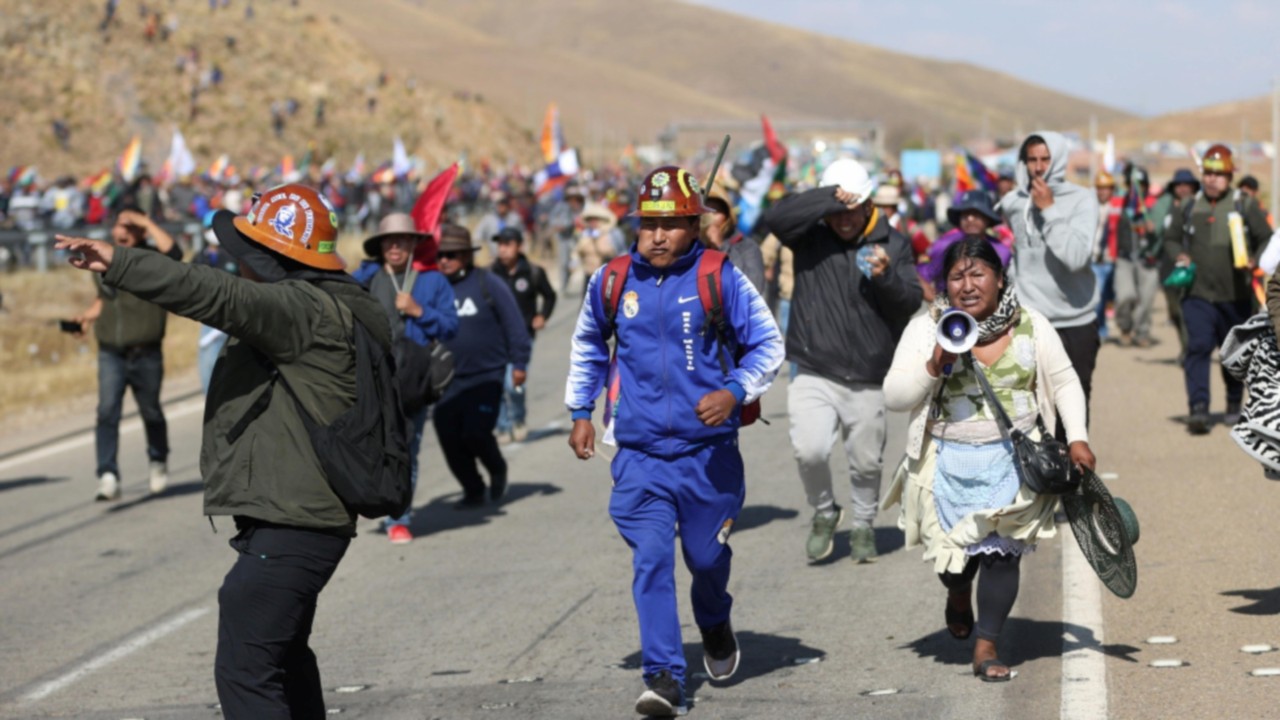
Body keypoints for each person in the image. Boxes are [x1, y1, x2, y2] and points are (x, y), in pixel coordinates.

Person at [57, 183, 385, 718]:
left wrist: (119, 262)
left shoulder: (301, 310)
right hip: (297, 522)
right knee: (283, 658)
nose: (240, 265)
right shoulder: (331, 303)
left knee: (247, 673)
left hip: (294, 526)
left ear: (271, 257)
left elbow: (212, 293)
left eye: (248, 254)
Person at [565, 165, 784, 717]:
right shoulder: (612, 280)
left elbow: (768, 345)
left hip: (707, 455)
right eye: (648, 225)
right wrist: (580, 411)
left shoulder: (722, 277)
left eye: (671, 225)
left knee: (706, 559)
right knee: (652, 559)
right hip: (639, 455)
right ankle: (663, 676)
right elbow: (589, 341)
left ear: (694, 225)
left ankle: (714, 621)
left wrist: (734, 391)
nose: (657, 236)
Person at [882, 236, 1095, 682]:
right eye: (957, 276)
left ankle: (986, 644)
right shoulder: (927, 328)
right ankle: (958, 595)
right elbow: (895, 396)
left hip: (1013, 463)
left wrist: (1077, 438)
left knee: (1003, 556)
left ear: (999, 279)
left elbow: (1066, 382)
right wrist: (935, 363)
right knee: (956, 565)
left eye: (978, 273)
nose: (968, 284)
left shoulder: (1032, 325)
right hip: (946, 461)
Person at [764, 158, 923, 564]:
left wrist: (886, 276)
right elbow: (776, 219)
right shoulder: (809, 236)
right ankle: (824, 512)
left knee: (866, 461)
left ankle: (865, 525)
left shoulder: (894, 243)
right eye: (837, 211)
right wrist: (826, 198)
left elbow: (910, 301)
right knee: (809, 451)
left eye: (852, 209)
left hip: (869, 372)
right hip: (813, 365)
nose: (843, 219)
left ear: (869, 204)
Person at [352, 213, 458, 543]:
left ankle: (400, 519)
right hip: (370, 378)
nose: (395, 246)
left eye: (402, 240)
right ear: (380, 246)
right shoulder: (365, 280)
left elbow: (451, 326)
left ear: (413, 244)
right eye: (388, 240)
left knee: (406, 449)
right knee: (368, 448)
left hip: (413, 380)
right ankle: (369, 504)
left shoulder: (433, 282)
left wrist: (418, 311)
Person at [73, 208, 182, 501]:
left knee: (151, 412)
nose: (121, 232)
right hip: (111, 352)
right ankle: (107, 474)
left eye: (129, 227)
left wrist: (146, 221)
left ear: (141, 232)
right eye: (119, 226)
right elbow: (105, 299)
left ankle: (158, 459)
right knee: (107, 411)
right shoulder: (104, 258)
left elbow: (176, 254)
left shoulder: (152, 259)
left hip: (146, 352)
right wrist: (87, 316)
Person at [1163, 144, 1273, 434]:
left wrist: (1255, 260)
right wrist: (1180, 254)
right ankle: (1198, 408)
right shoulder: (1189, 205)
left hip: (1235, 296)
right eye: (1208, 173)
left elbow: (1267, 239)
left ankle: (1234, 401)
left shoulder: (1244, 205)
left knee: (1231, 354)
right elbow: (1171, 237)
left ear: (1229, 176)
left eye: (1218, 174)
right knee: (1197, 347)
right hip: (1197, 294)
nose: (1211, 179)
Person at [1000, 131, 1100, 431]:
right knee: (1030, 404)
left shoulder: (1083, 199)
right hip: (1031, 319)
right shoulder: (1012, 202)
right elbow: (1020, 254)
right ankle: (1040, 474)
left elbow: (1075, 258)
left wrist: (1049, 210)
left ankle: (1075, 473)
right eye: (1032, 160)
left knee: (1073, 402)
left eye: (1046, 159)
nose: (1039, 167)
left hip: (1076, 319)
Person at [435, 223, 531, 507]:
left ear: (465, 255)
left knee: (476, 432)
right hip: (445, 380)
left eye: (451, 255)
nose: (444, 260)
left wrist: (519, 363)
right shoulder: (432, 287)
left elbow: (515, 325)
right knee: (449, 437)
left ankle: (497, 467)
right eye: (440, 255)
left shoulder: (487, 282)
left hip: (486, 376)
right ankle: (473, 489)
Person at [492, 226, 556, 443]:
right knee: (498, 383)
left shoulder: (533, 272)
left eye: (507, 244)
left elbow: (550, 296)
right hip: (496, 338)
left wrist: (542, 316)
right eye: (500, 244)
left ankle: (518, 419)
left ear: (519, 246)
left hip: (522, 337)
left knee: (515, 384)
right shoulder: (490, 274)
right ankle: (502, 425)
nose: (503, 249)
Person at [918, 191, 1012, 302]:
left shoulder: (1002, 251)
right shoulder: (944, 245)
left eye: (976, 214)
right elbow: (920, 276)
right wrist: (939, 305)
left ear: (988, 218)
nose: (970, 219)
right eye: (965, 214)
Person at [1151, 168, 1200, 360]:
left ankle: (1191, 350)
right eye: (1178, 185)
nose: (1182, 188)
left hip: (1193, 267)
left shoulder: (1200, 205)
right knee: (1175, 311)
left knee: (1190, 310)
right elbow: (1159, 231)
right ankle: (1185, 346)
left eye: (1186, 184)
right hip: (1169, 266)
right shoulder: (1166, 205)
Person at [1112, 165, 1161, 348]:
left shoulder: (1154, 207)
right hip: (1124, 258)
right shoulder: (1120, 203)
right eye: (1133, 185)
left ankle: (1142, 332)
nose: (1136, 189)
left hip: (1147, 259)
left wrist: (1153, 229)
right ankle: (1125, 328)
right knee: (1125, 295)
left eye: (1140, 185)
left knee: (1146, 300)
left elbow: (1167, 230)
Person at [191, 211, 239, 392]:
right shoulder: (200, 257)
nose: (213, 232)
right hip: (211, 320)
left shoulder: (235, 255)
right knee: (209, 363)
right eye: (210, 228)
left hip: (235, 316)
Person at [703, 187, 766, 293]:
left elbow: (755, 287)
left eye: (715, 212)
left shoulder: (747, 247)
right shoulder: (691, 245)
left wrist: (721, 247)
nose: (710, 219)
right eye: (705, 212)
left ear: (728, 215)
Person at [1092, 171, 1121, 341]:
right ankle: (1100, 330)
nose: (1102, 192)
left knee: (1111, 296)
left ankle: (1107, 325)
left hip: (1113, 258)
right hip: (1096, 259)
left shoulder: (1118, 206)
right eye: (1100, 188)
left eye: (1106, 188)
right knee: (1098, 296)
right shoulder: (1090, 206)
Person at [574, 201, 627, 282]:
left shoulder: (613, 233)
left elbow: (621, 252)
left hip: (608, 274)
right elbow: (578, 251)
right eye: (590, 220)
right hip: (589, 273)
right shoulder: (585, 234)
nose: (593, 222)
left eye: (595, 219)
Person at [472, 192, 524, 260]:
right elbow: (477, 236)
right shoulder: (488, 219)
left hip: (511, 256)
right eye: (499, 204)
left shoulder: (515, 219)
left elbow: (522, 235)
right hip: (493, 256)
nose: (501, 207)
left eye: (503, 204)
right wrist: (477, 253)